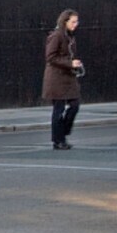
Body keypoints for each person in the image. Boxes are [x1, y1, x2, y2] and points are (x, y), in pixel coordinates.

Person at [41, 9, 83, 150]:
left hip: (68, 76)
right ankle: (58, 140)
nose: (76, 24)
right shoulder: (57, 35)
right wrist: (70, 63)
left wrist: (74, 63)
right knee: (58, 109)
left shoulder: (70, 36)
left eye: (77, 21)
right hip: (56, 78)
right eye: (73, 22)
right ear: (65, 21)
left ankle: (62, 132)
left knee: (75, 105)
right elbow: (50, 57)